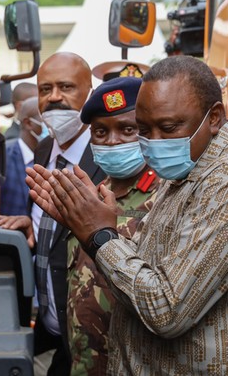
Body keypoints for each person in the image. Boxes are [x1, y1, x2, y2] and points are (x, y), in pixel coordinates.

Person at [26, 56, 228, 374]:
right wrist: (83, 223)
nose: (153, 142)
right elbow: (150, 268)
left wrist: (99, 237)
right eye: (144, 129)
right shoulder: (186, 167)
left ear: (214, 117)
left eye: (168, 128)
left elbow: (166, 309)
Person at [0, 52, 106, 376]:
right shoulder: (45, 150)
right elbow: (56, 220)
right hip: (53, 325)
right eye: (45, 89)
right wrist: (35, 223)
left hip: (90, 337)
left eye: (66, 87)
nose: (54, 97)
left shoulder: (105, 156)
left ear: (89, 91)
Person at [66, 76, 160, 376]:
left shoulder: (167, 197)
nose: (112, 141)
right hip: (85, 362)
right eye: (100, 132)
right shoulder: (90, 196)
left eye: (127, 129)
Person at [0, 97, 48, 218]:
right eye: (47, 119)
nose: (52, 125)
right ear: (28, 123)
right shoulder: (2, 156)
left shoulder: (53, 158)